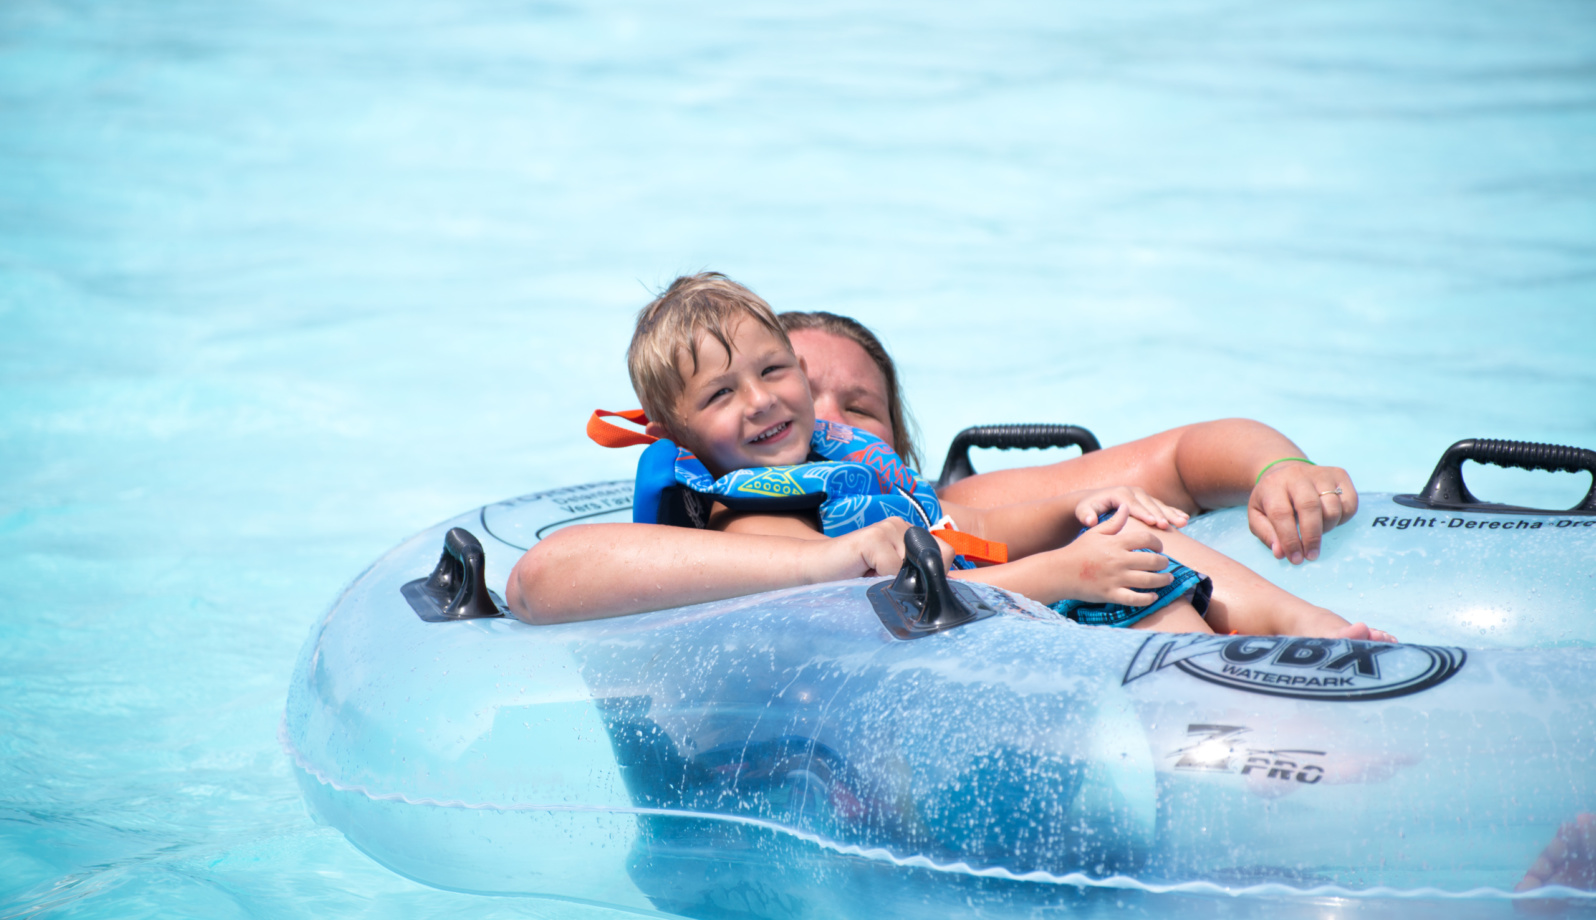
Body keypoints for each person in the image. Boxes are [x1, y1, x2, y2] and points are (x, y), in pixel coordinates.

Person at [516, 272, 1392, 641]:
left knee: (1128, 536)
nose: (783, 410)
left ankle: (1295, 638)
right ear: (683, 435)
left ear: (890, 435)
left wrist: (1278, 469)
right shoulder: (752, 524)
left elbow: (1179, 453)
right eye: (722, 396)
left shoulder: (932, 502)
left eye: (847, 406)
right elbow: (542, 578)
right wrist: (841, 552)